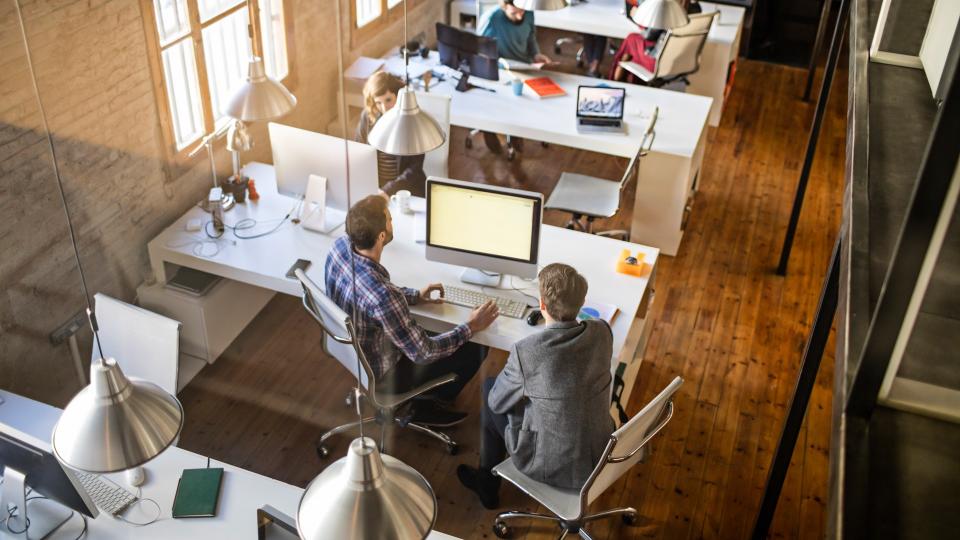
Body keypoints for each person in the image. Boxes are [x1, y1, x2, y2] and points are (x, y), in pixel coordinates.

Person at [324, 195, 501, 426]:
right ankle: (426, 406)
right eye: (389, 219)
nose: (391, 222)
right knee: (477, 344)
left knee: (434, 326)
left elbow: (370, 295)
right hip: (385, 375)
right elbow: (424, 353)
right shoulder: (384, 296)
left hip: (350, 353)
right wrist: (471, 326)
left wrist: (415, 296)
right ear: (381, 236)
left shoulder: (339, 248)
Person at [457, 263, 616, 509]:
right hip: (599, 450)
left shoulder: (528, 351)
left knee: (490, 390)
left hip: (550, 464)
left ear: (541, 306)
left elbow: (498, 403)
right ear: (582, 302)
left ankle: (487, 483)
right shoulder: (602, 331)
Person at [477, 0, 553, 155]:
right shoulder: (491, 20)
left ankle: (516, 132)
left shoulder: (529, 13)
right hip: (501, 72)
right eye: (514, 13)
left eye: (522, 12)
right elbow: (481, 53)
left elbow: (531, 37)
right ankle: (490, 129)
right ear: (504, 6)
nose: (519, 17)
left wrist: (536, 54)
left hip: (525, 67)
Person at [356, 71, 427, 197]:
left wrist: (388, 190)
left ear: (398, 97)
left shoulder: (412, 119)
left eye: (388, 100)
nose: (384, 108)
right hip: (376, 188)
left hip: (406, 189)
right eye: (378, 102)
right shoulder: (368, 117)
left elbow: (415, 168)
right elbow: (358, 151)